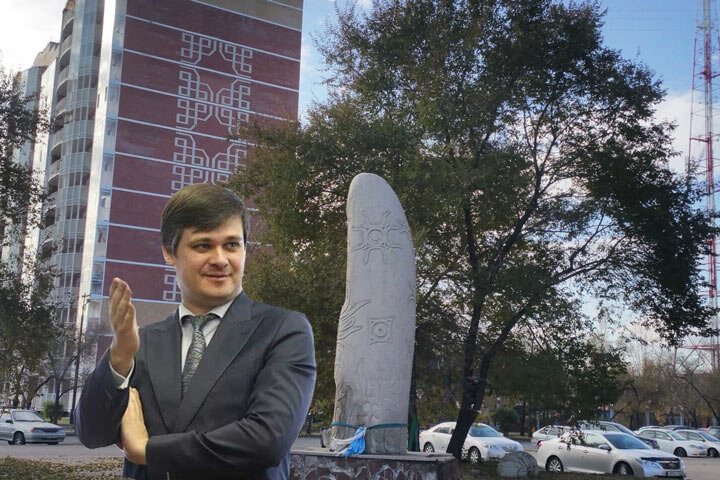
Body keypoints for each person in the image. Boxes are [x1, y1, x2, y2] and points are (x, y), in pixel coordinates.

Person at [76, 183, 316, 480]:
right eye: (203, 245)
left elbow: (267, 438)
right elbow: (91, 434)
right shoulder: (140, 343)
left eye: (232, 245)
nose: (220, 259)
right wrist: (119, 359)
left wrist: (148, 451)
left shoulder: (282, 330)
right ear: (169, 252)